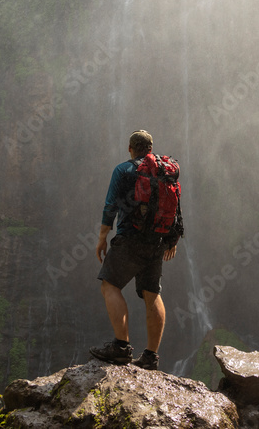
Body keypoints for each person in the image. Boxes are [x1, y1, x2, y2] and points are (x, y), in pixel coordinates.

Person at [90, 130, 178, 371]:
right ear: (150, 149)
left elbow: (110, 205)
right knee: (152, 293)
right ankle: (150, 356)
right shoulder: (165, 171)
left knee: (109, 285)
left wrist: (102, 237)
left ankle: (121, 347)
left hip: (131, 238)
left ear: (130, 148)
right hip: (158, 240)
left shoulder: (123, 170)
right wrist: (173, 238)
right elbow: (174, 206)